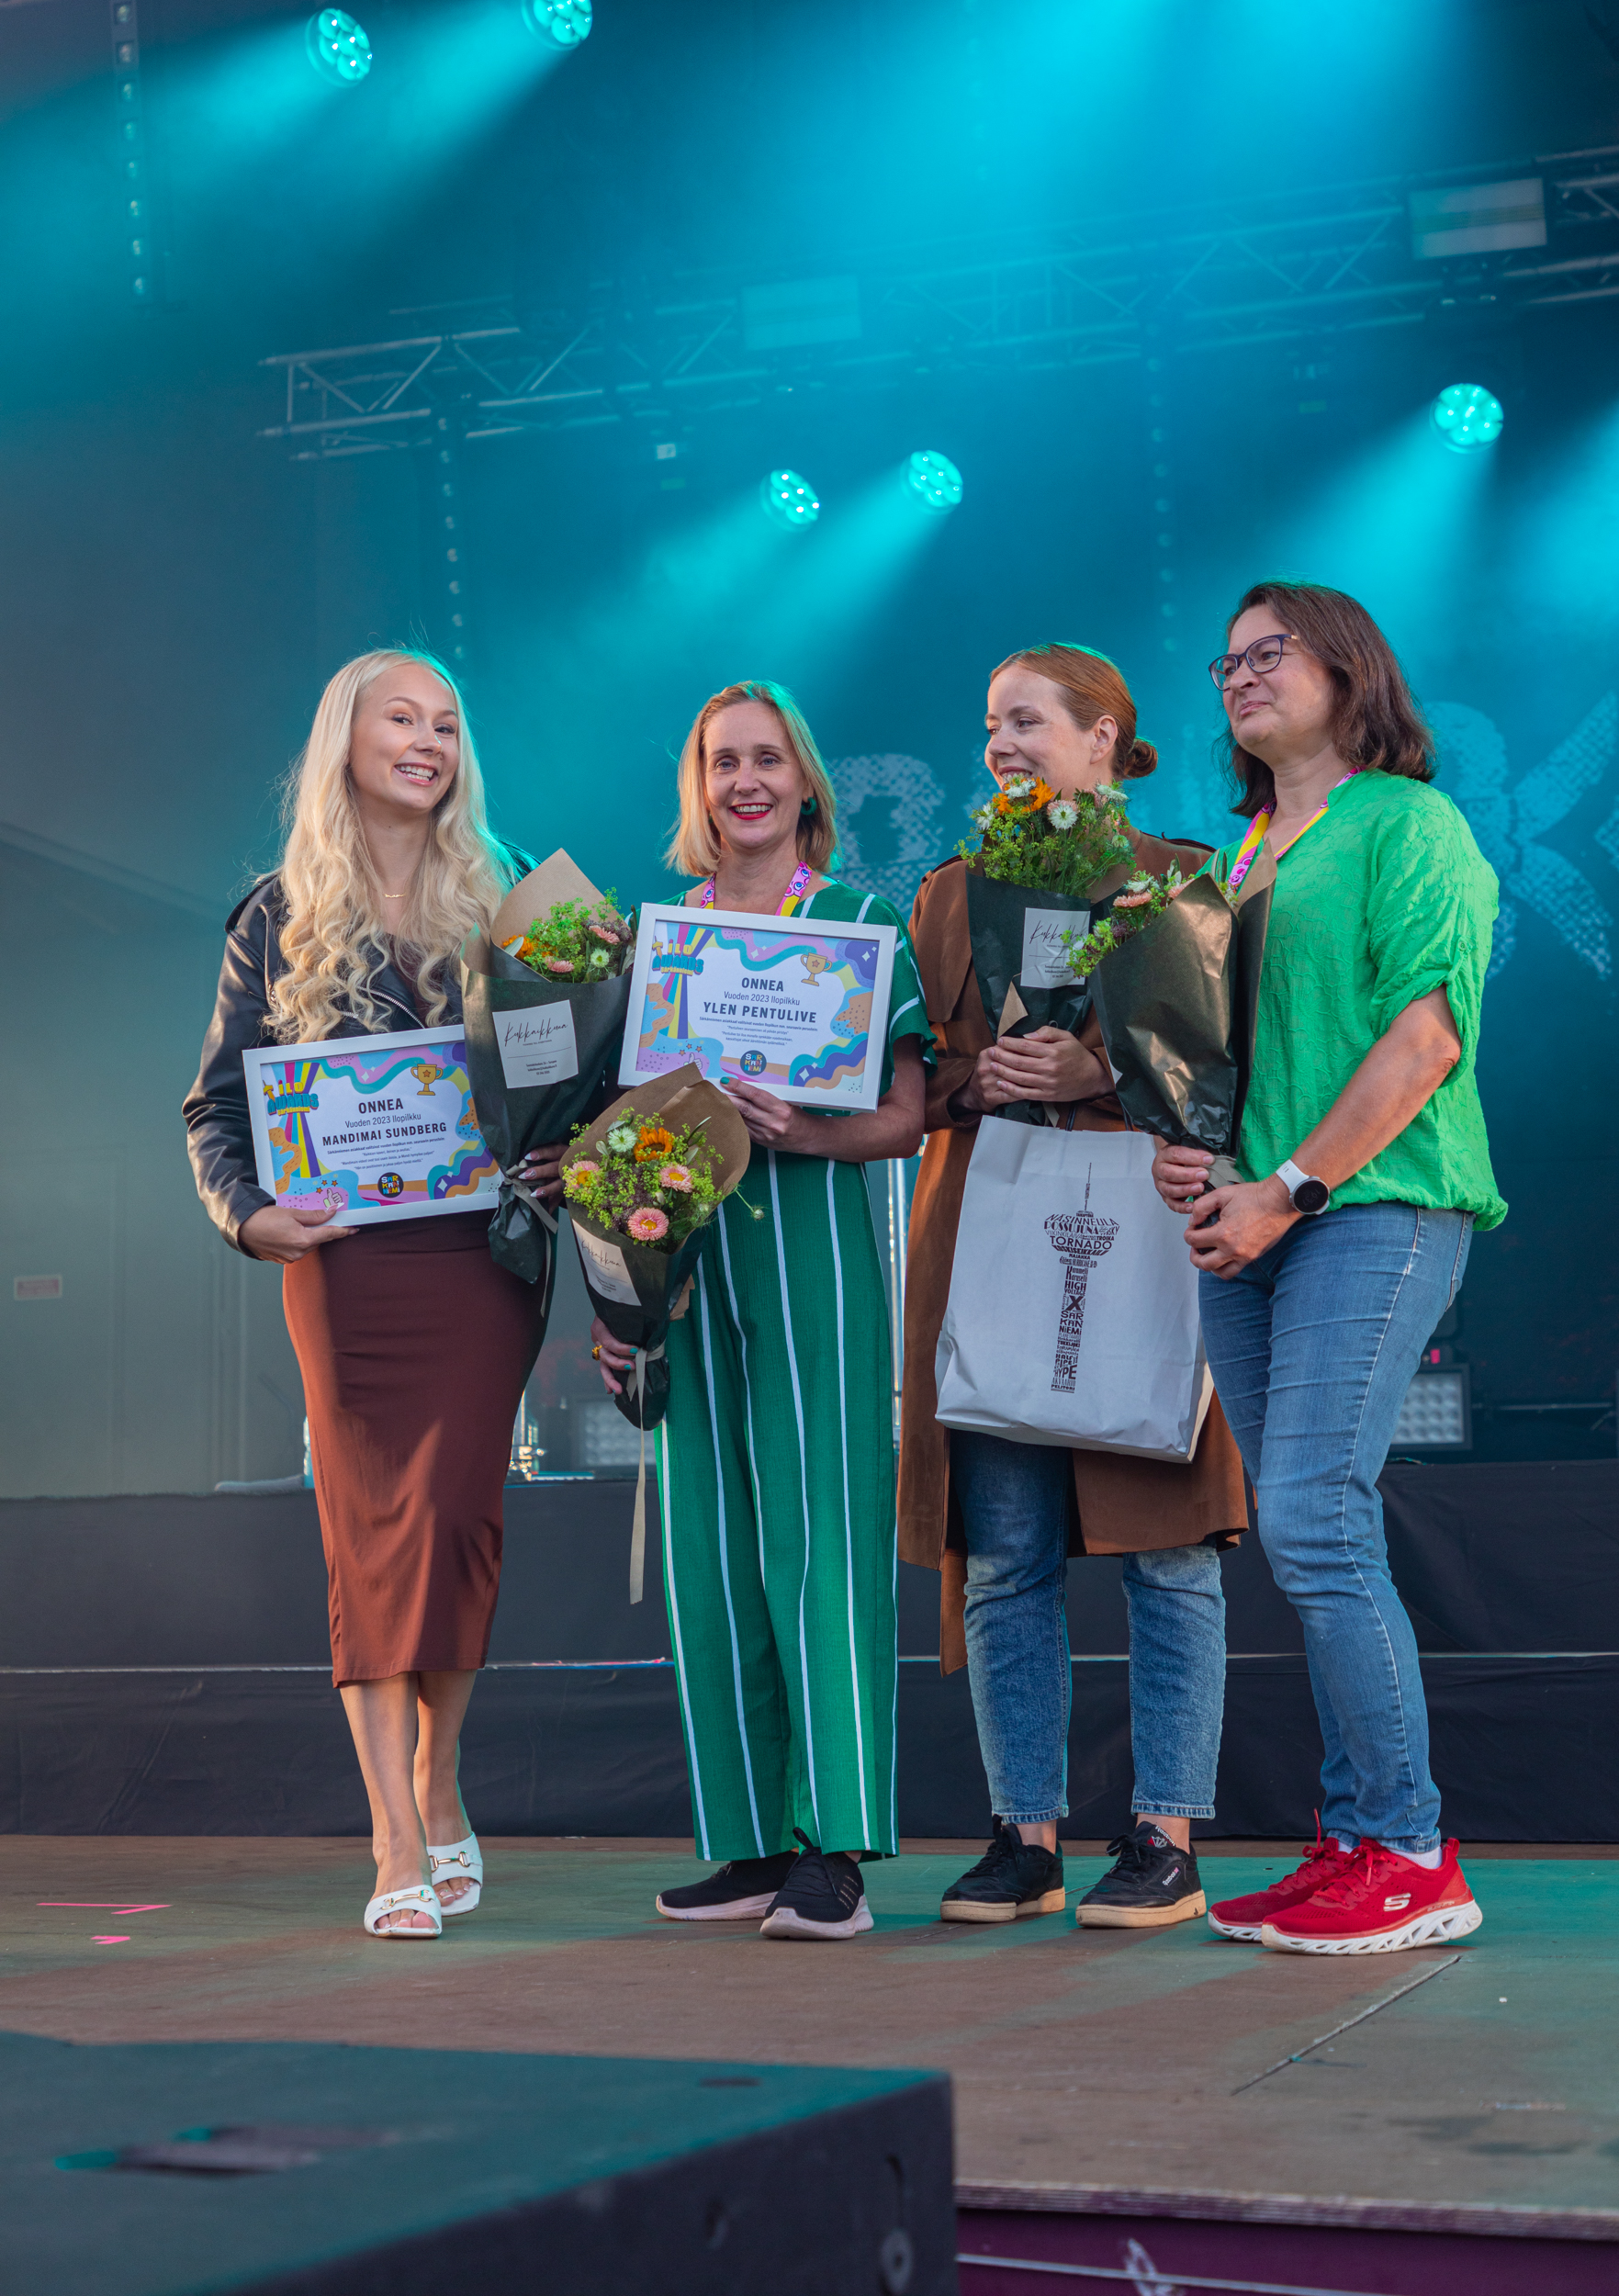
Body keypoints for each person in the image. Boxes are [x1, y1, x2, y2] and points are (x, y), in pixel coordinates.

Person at [185, 648, 568, 1940]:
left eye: (447, 724)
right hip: (344, 1267)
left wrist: (560, 1146)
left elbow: (567, 1074)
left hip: (483, 1263)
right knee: (367, 1534)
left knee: (457, 1523)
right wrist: (250, 1216)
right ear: (343, 739)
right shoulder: (276, 911)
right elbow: (214, 1108)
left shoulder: (514, 897)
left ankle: (439, 1775)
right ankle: (394, 1832)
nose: (427, 741)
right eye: (401, 718)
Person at [1153, 581, 1505, 1955]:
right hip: (1248, 1218)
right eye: (1226, 660)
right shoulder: (1240, 853)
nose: (1241, 674)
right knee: (1303, 1530)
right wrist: (1195, 1153)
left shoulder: (1407, 822)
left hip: (1370, 1207)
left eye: (1271, 651)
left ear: (1348, 669)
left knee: (1313, 1520)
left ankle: (1411, 1851)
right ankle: (1356, 1837)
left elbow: (1426, 1042)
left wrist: (1289, 1187)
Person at [901, 643, 1248, 1930]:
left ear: (1105, 737)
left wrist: (1095, 1076)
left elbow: (1237, 1068)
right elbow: (908, 1077)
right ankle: (1025, 1836)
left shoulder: (1183, 884)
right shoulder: (949, 895)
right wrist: (973, 1080)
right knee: (1005, 1557)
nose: (1002, 743)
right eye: (992, 723)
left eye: (1028, 720)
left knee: (1171, 1557)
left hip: (1143, 1239)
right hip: (986, 1250)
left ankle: (1167, 1837)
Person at [591, 680, 931, 1941]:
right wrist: (618, 1289)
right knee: (711, 1551)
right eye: (722, 761)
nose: (745, 780)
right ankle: (746, 1845)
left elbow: (908, 1118)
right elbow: (619, 1129)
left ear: (804, 783)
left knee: (822, 1544)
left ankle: (835, 1851)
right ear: (698, 787)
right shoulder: (659, 939)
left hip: (812, 1257)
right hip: (684, 1272)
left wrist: (812, 1132)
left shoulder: (856, 922)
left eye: (768, 759)